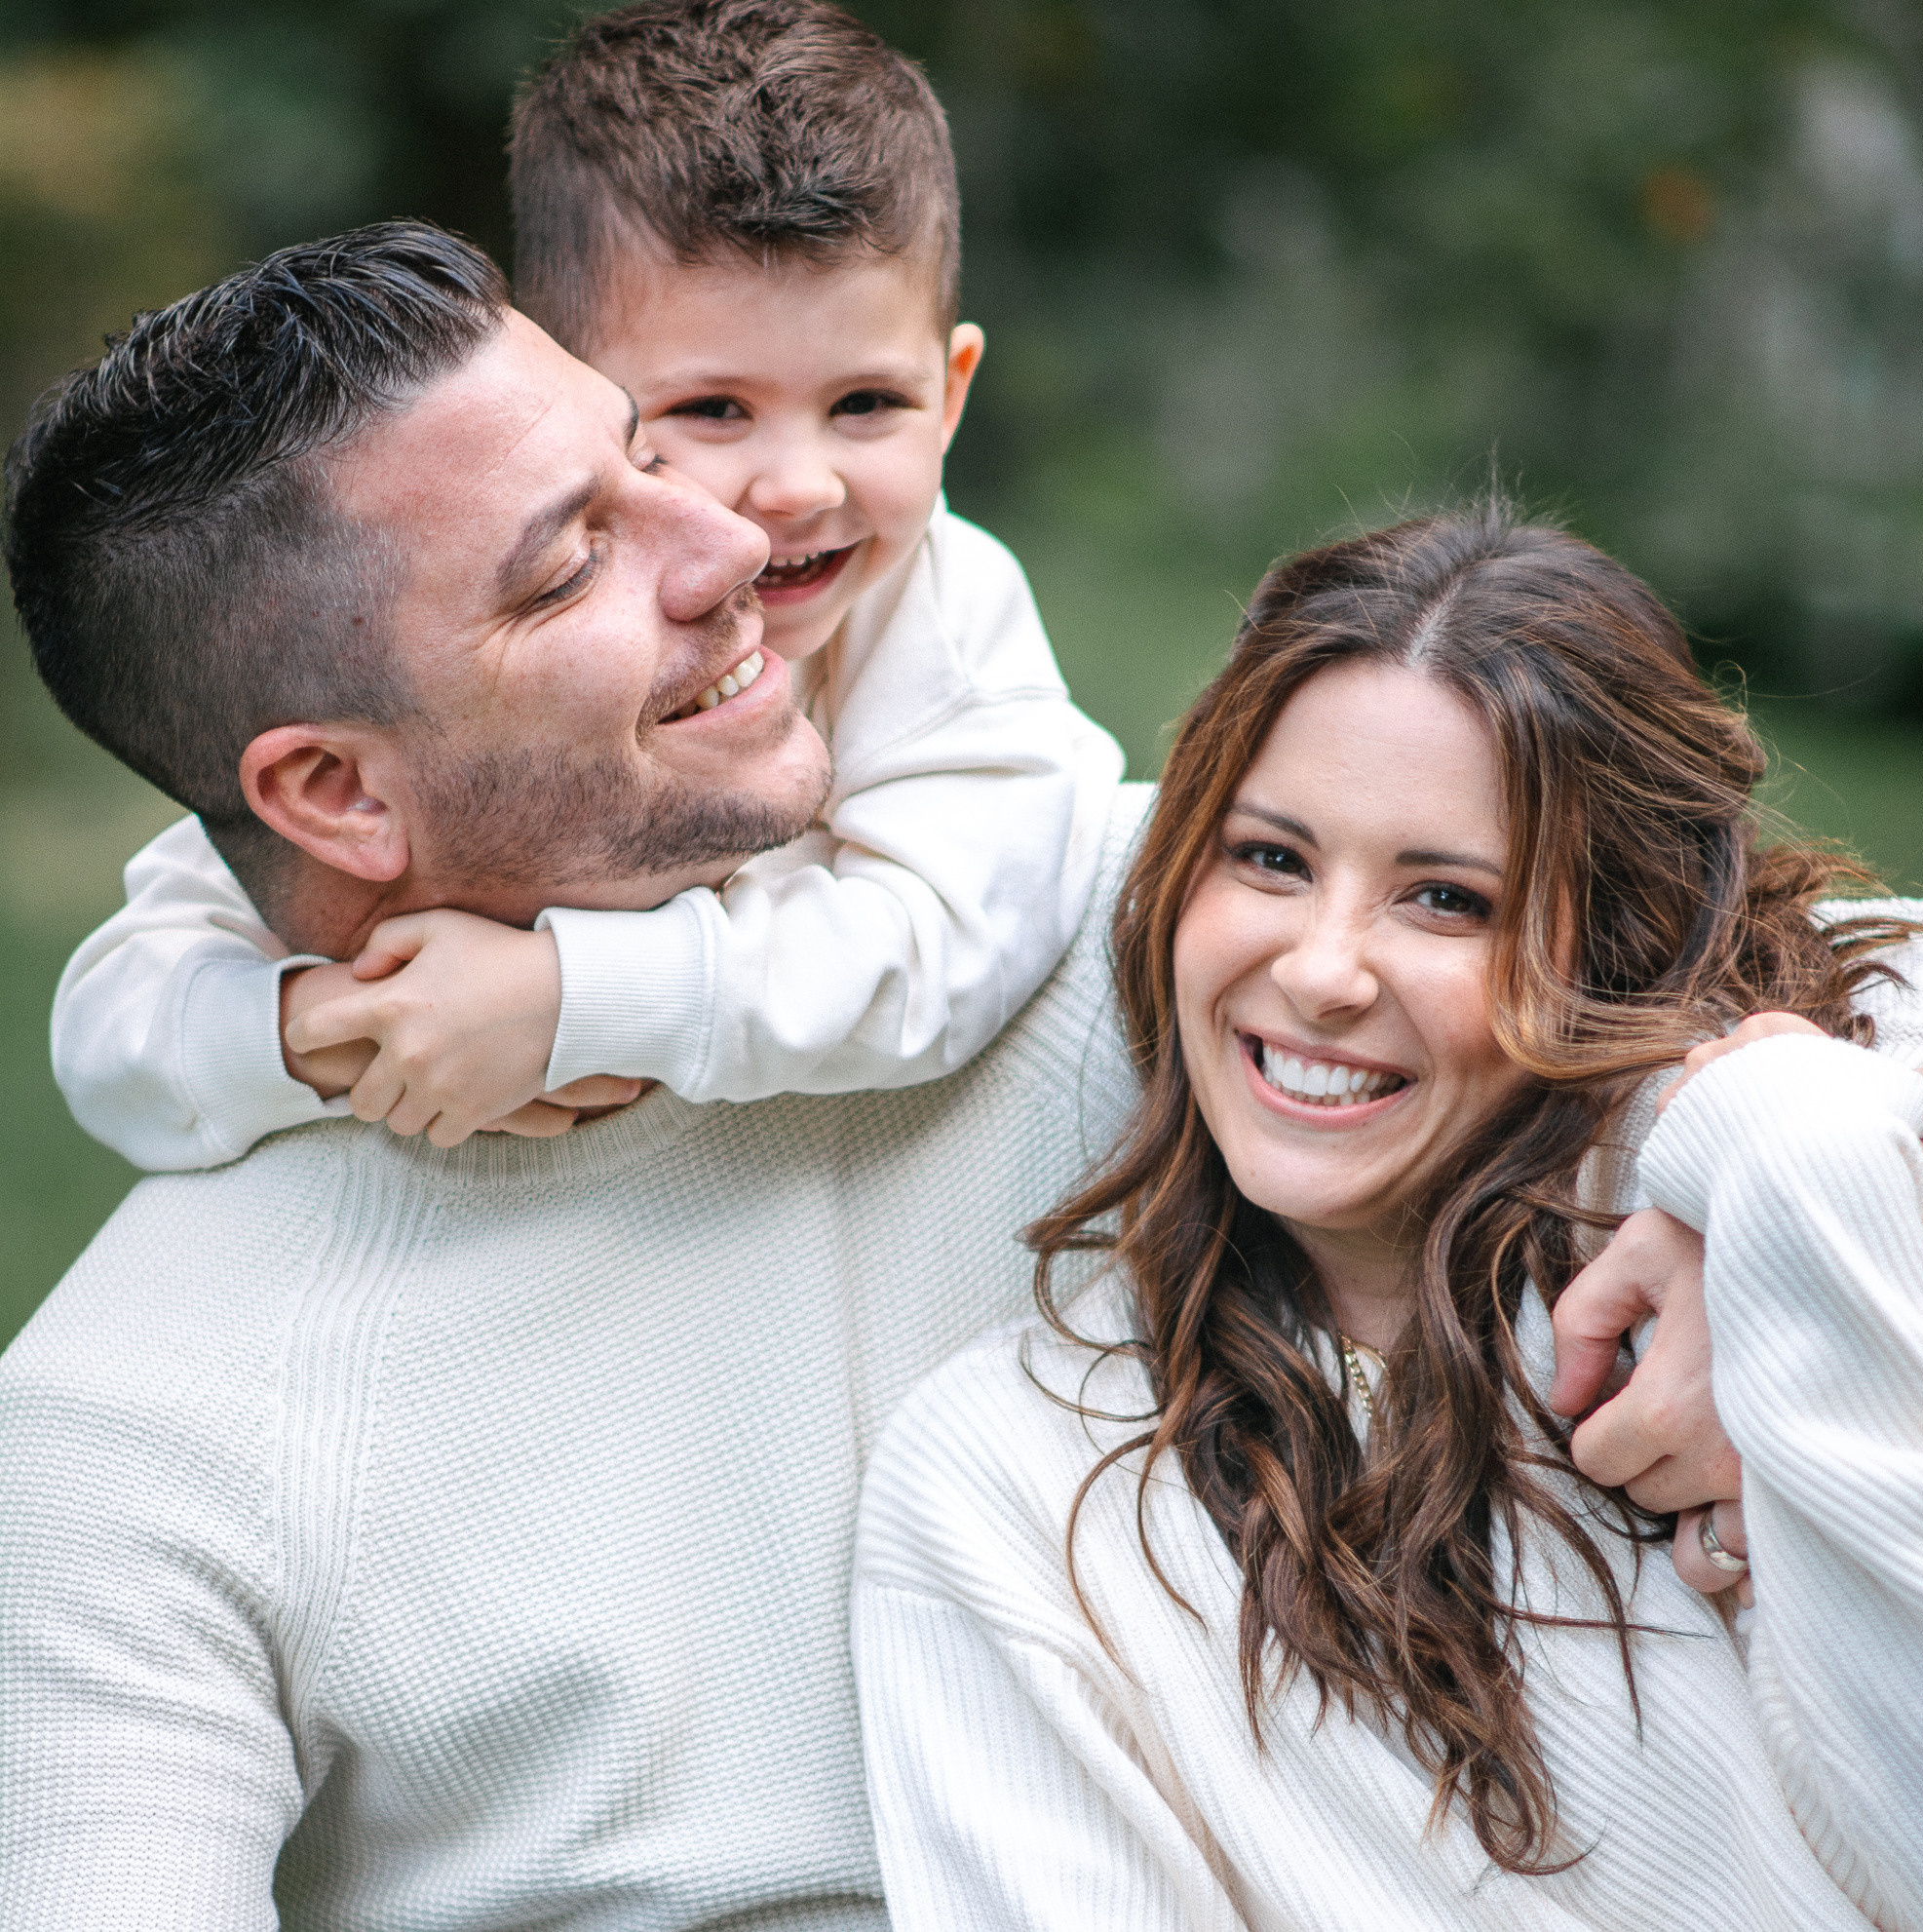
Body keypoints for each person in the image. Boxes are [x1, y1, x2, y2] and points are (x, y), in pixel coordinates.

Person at [0, 221, 1144, 1927]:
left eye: (641, 455)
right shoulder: (133, 1424)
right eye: (565, 569)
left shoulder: (1157, 966)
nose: (736, 537)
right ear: (334, 795)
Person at [852, 507, 1923, 1932]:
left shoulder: (1759, 1234)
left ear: (1618, 946)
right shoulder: (1016, 1481)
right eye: (1270, 858)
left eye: (1445, 898)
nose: (1321, 970)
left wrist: (1804, 1189)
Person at [49, 0, 1124, 1171]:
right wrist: (340, 1028)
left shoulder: (940, 616)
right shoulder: (372, 722)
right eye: (711, 413)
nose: (788, 496)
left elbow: (948, 944)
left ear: (950, 392)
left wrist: (566, 995)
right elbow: (112, 1025)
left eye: (866, 404)